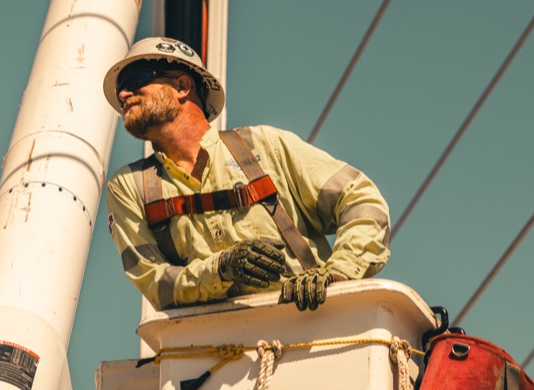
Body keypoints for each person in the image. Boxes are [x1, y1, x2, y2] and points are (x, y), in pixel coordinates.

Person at [103, 37, 390, 311]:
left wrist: (336, 274)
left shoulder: (263, 147)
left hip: (310, 326)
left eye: (136, 81)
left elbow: (363, 203)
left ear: (181, 86)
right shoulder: (130, 188)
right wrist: (221, 268)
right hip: (211, 350)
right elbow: (157, 285)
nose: (123, 95)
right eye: (121, 90)